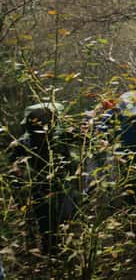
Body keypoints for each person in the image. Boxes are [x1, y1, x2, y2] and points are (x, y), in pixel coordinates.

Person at [11, 103, 76, 254]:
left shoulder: (59, 135)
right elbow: (14, 163)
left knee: (65, 217)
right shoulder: (24, 142)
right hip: (40, 187)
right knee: (46, 221)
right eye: (38, 119)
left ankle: (64, 248)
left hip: (61, 183)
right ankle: (52, 251)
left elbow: (81, 139)